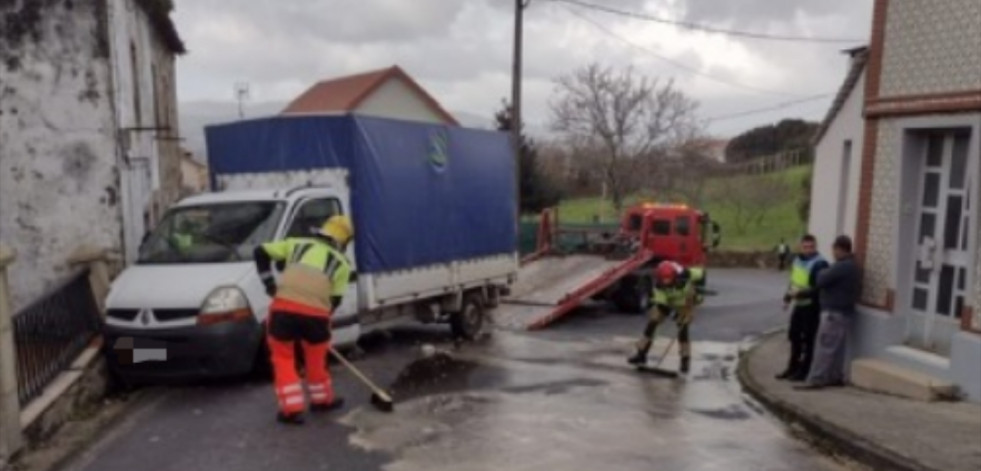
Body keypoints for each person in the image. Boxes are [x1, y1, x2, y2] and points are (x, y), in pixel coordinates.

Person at [253, 215, 354, 424]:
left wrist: (269, 284)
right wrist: (319, 321)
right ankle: (321, 401)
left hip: (283, 311)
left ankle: (292, 409)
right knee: (316, 360)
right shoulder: (342, 265)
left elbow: (260, 251)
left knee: (283, 358)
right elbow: (334, 300)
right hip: (316, 316)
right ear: (343, 241)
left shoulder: (296, 245)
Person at [792, 235, 862, 390]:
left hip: (833, 313)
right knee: (837, 349)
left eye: (834, 250)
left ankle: (816, 379)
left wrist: (823, 271)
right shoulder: (853, 266)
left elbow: (821, 279)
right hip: (844, 312)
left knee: (825, 347)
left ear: (839, 249)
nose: (833, 253)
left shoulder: (842, 266)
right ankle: (835, 377)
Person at [627, 260, 705, 374]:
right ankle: (641, 353)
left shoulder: (685, 273)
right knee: (652, 323)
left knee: (683, 330)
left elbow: (701, 273)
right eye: (663, 280)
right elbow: (662, 305)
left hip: (684, 302)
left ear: (674, 276)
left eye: (668, 280)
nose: (665, 283)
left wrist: (697, 292)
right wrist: (674, 314)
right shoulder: (658, 286)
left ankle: (685, 360)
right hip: (666, 303)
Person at [776, 235, 829, 381]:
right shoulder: (797, 261)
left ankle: (804, 371)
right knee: (794, 337)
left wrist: (801, 293)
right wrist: (787, 298)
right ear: (801, 247)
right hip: (799, 305)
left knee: (809, 340)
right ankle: (792, 367)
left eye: (811, 247)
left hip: (812, 307)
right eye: (805, 247)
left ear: (815, 247)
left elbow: (819, 288)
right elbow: (793, 281)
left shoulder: (820, 264)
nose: (808, 250)